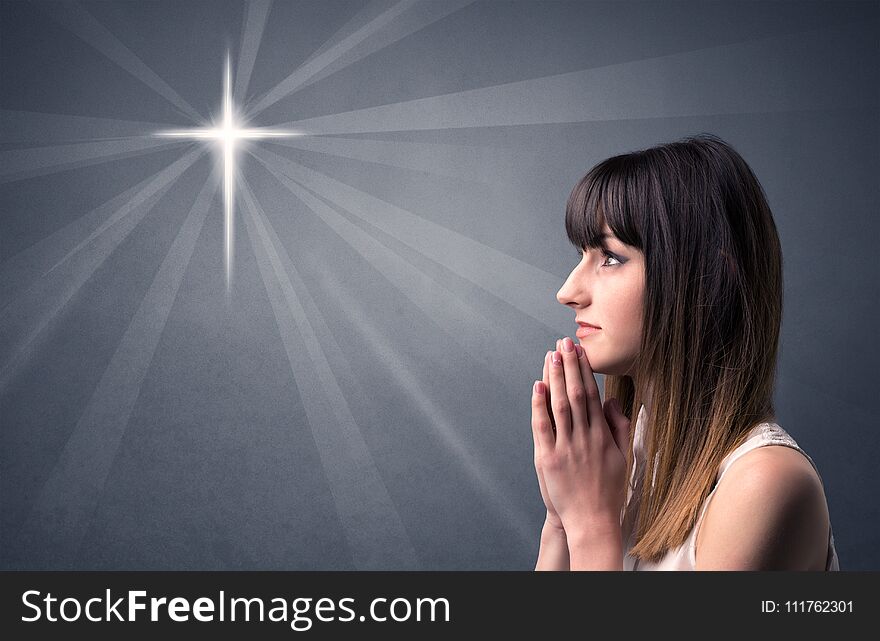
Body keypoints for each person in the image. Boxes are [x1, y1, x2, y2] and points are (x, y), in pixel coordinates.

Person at [530, 133, 840, 571]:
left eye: (611, 257)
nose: (567, 291)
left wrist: (590, 526)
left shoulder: (764, 485)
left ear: (711, 278)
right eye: (582, 254)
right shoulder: (620, 462)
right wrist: (559, 522)